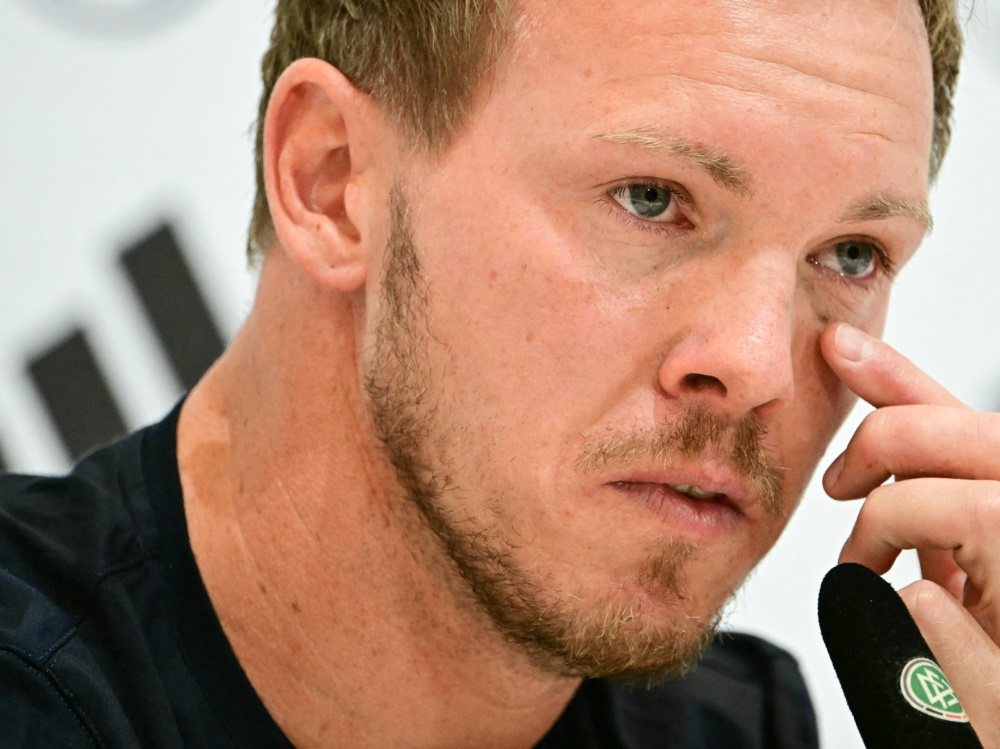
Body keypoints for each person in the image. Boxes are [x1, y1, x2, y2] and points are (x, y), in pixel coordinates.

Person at [0, 0, 989, 746]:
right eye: (650, 198)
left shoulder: (732, 724)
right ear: (333, 180)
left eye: (851, 253)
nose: (758, 364)